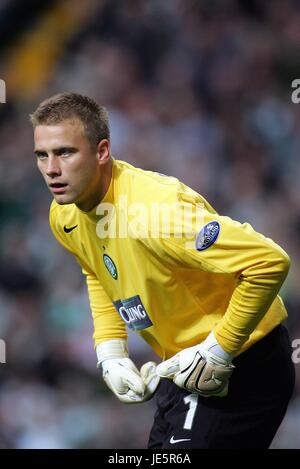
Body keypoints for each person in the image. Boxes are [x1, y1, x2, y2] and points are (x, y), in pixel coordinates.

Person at [30, 92, 295, 449]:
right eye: (42, 156)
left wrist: (220, 347)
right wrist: (110, 350)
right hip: (183, 368)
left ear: (102, 151)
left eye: (65, 152)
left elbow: (268, 262)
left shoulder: (155, 213)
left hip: (244, 362)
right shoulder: (64, 214)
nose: (51, 169)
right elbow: (96, 269)